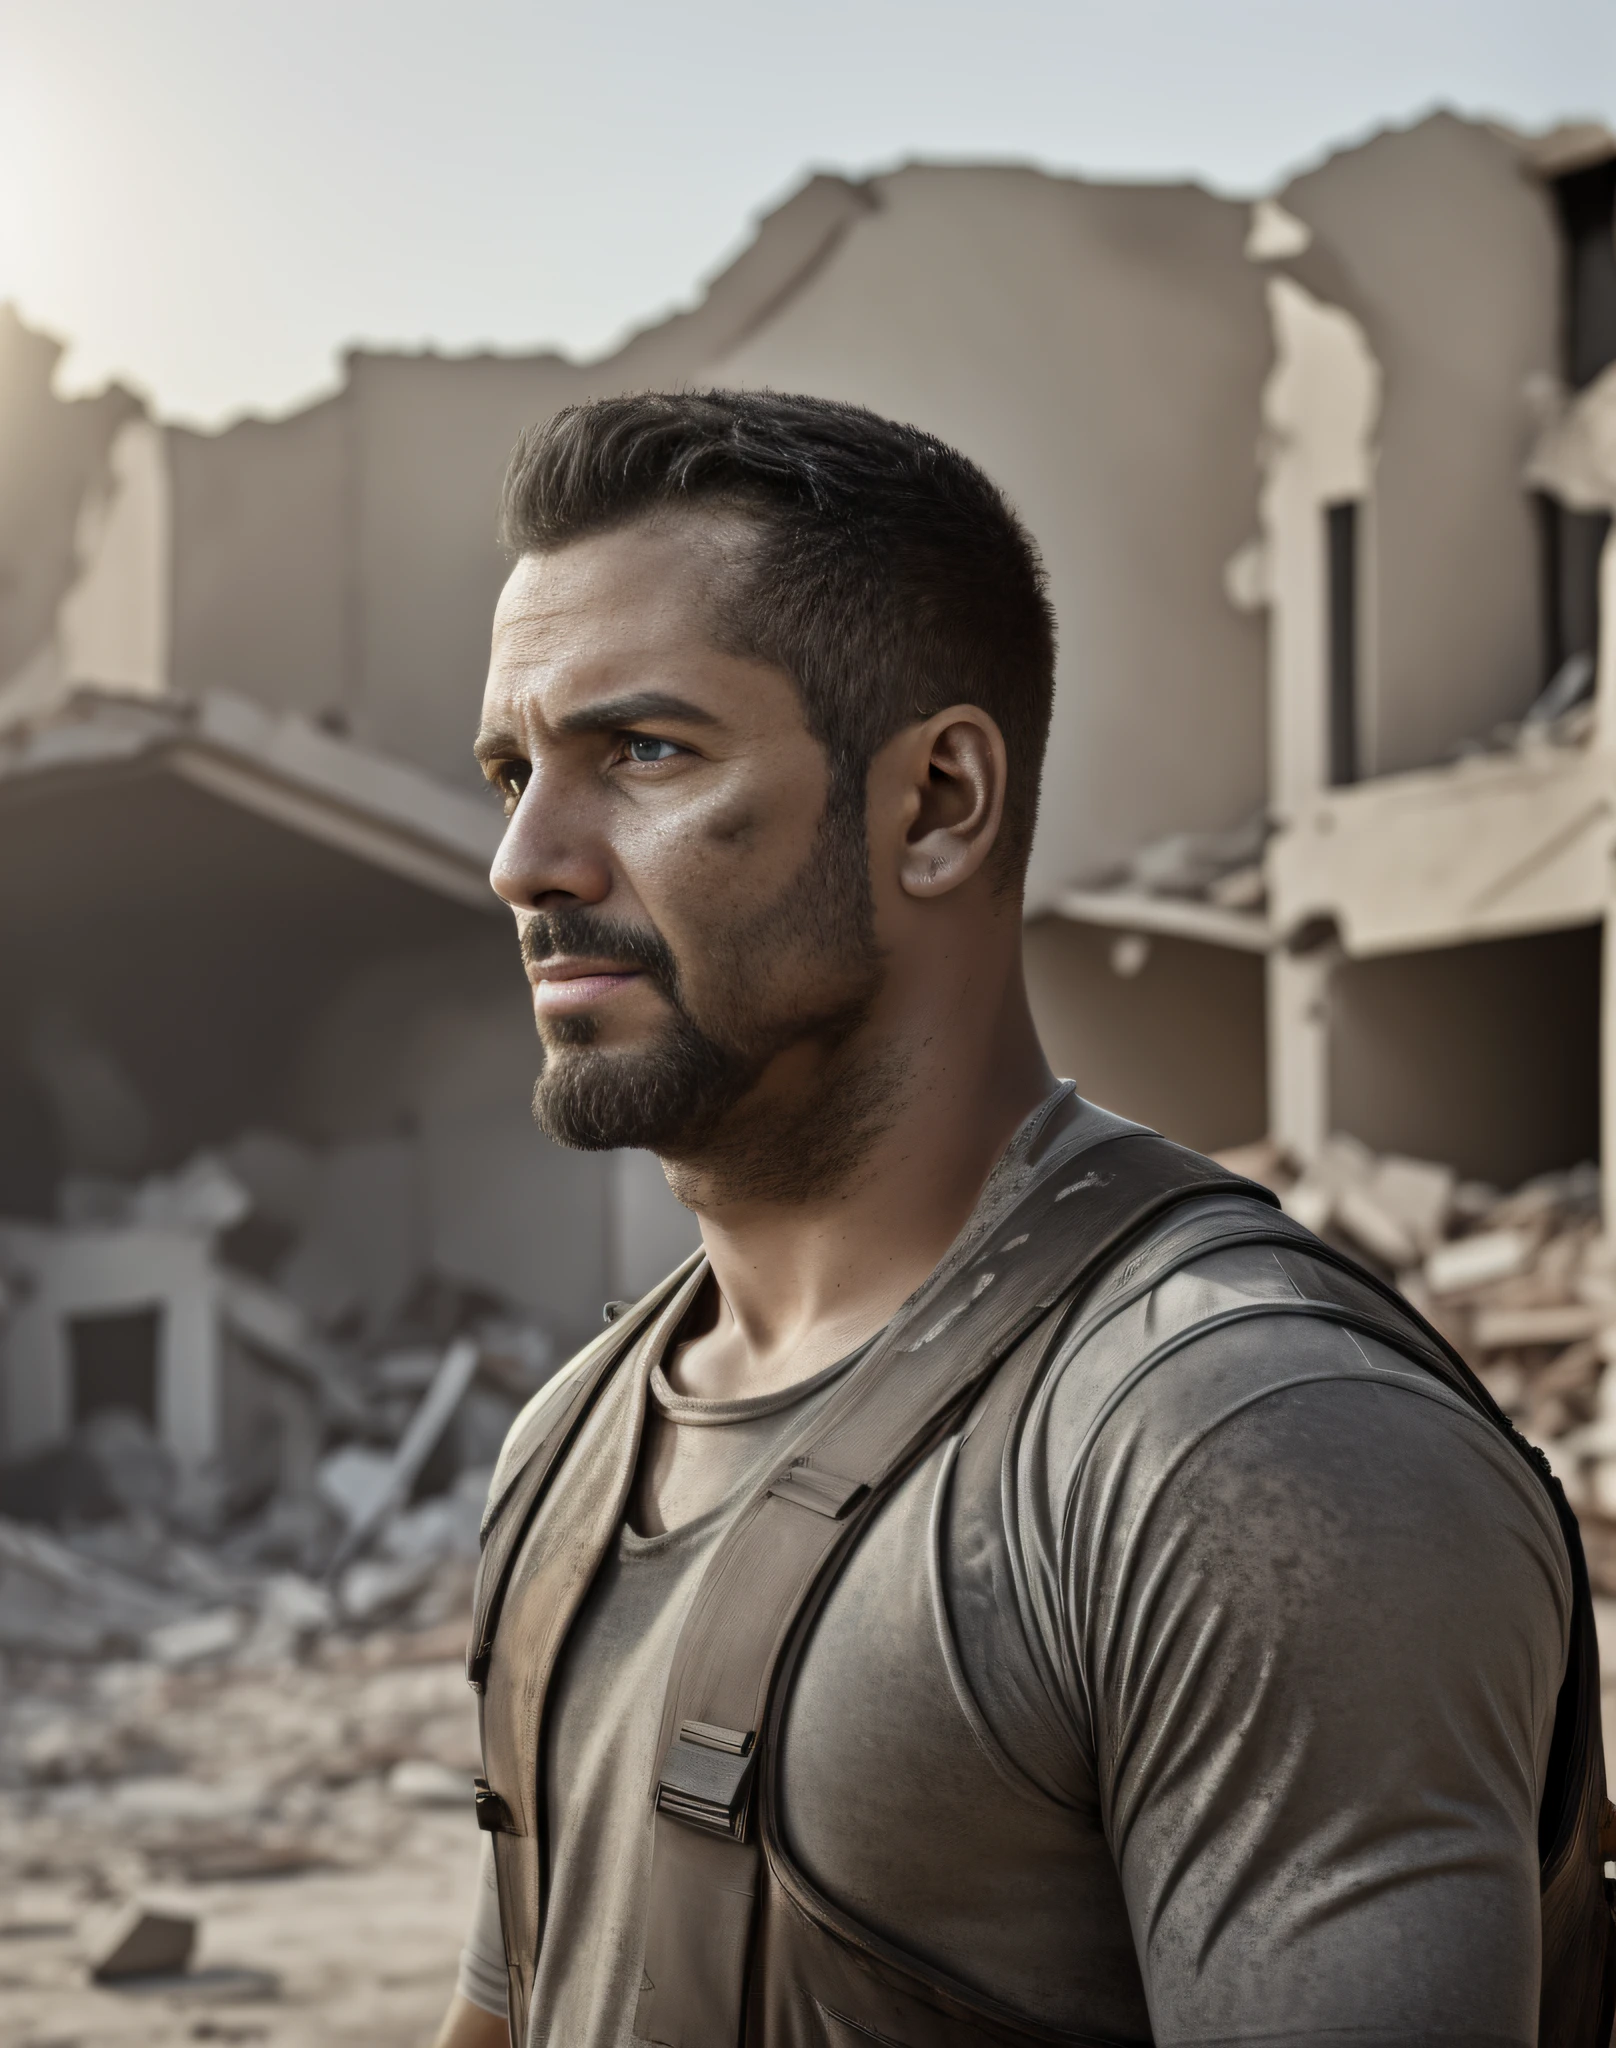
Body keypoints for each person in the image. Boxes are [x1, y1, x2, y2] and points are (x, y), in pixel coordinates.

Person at [434, 391, 1610, 2048]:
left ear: (938, 805)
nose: (525, 859)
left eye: (640, 752)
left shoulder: (1243, 1454)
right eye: (510, 769)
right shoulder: (565, 1446)